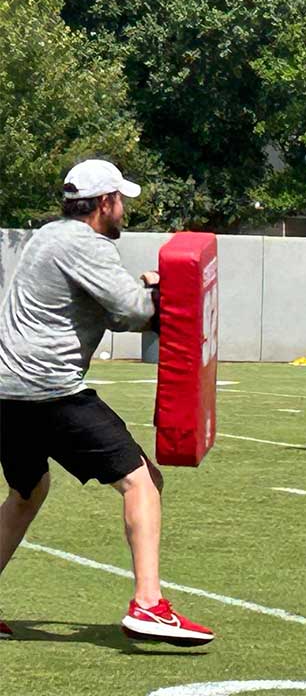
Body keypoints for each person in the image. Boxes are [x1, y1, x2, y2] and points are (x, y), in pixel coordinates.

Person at [0, 159, 214, 645]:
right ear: (103, 204)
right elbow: (133, 312)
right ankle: (148, 605)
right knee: (144, 482)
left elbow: (114, 313)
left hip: (7, 392)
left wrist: (143, 297)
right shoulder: (86, 244)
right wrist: (163, 293)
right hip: (49, 391)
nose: (123, 211)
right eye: (120, 202)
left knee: (27, 491)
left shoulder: (49, 236)